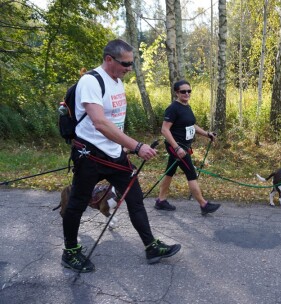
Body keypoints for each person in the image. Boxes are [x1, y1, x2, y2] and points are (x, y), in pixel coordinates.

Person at [62, 39, 180, 273]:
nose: (129, 68)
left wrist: (123, 147)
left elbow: (115, 122)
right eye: (126, 64)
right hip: (90, 156)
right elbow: (100, 122)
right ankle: (70, 252)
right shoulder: (90, 81)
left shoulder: (117, 82)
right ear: (109, 59)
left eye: (131, 64)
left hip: (115, 155)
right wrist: (136, 146)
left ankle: (151, 246)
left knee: (135, 199)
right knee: (77, 203)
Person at [155, 80, 221, 215]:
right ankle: (204, 204)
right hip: (178, 148)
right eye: (183, 91)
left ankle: (160, 201)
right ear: (176, 93)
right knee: (191, 173)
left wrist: (207, 134)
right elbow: (164, 130)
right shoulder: (173, 108)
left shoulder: (187, 106)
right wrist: (177, 148)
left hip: (183, 146)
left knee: (169, 172)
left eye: (189, 91)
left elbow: (192, 126)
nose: (186, 94)